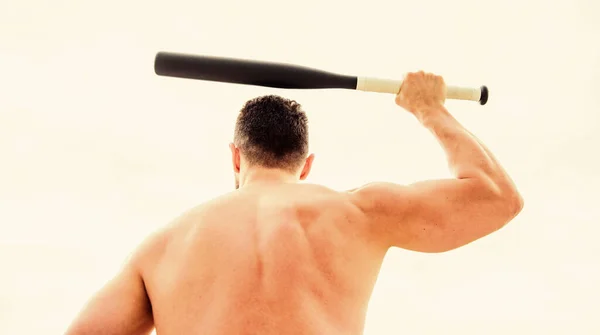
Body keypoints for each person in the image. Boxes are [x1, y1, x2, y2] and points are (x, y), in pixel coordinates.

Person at [65, 71, 523, 335]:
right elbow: (497, 197)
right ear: (305, 165)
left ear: (235, 157)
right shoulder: (359, 213)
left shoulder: (161, 248)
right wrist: (430, 108)